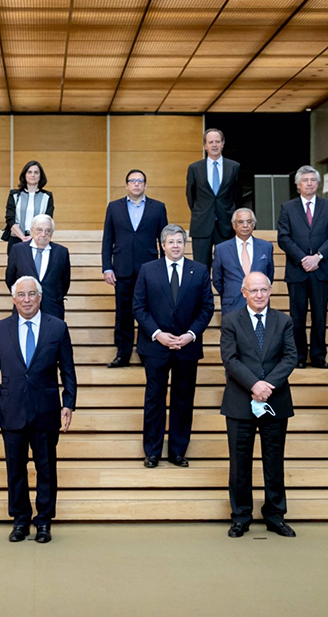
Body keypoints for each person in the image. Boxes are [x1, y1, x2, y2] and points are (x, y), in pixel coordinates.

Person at [0, 276, 76, 544]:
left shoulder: (57, 328)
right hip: (11, 411)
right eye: (21, 294)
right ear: (13, 299)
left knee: (47, 469)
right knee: (15, 469)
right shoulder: (1, 328)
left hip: (46, 410)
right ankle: (21, 520)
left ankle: (44, 521)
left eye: (32, 294)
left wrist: (68, 402)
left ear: (40, 297)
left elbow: (67, 370)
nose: (26, 299)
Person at [220, 272, 298, 538]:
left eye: (263, 290)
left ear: (271, 290)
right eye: (253, 291)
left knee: (274, 462)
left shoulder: (283, 320)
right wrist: (254, 385)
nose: (259, 295)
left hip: (275, 400)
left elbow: (290, 357)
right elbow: (230, 359)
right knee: (239, 463)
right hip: (240, 401)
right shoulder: (231, 320)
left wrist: (267, 387)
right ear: (244, 293)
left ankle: (275, 515)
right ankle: (241, 516)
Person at [133, 224, 215, 468]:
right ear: (162, 245)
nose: (175, 246)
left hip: (187, 347)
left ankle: (178, 451)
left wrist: (191, 335)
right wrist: (158, 334)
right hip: (156, 347)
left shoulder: (199, 270)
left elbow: (207, 308)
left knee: (183, 400)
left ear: (185, 243)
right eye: (171, 242)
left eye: (180, 241)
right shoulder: (148, 270)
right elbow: (139, 307)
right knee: (154, 399)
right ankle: (152, 452)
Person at [101, 169, 167, 368]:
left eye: (140, 181)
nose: (136, 184)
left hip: (150, 269)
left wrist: (164, 268)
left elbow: (163, 239)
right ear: (126, 185)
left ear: (145, 185)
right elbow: (108, 240)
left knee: (150, 311)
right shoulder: (114, 207)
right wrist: (107, 267)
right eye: (133, 181)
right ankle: (123, 354)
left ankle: (147, 352)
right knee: (123, 313)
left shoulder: (158, 208)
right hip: (122, 269)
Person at [277, 165, 328, 369]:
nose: (309, 183)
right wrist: (304, 258)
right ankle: (298, 356)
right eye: (305, 180)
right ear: (298, 185)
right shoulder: (287, 207)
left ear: (318, 183)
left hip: (322, 270)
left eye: (313, 180)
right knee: (297, 316)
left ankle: (319, 356)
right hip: (297, 270)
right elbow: (283, 238)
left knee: (320, 315)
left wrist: (318, 257)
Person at [186, 128, 241, 270]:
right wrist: (203, 211)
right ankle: (203, 294)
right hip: (202, 224)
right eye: (211, 142)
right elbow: (191, 196)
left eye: (217, 141)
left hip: (226, 225)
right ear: (205, 145)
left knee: (227, 267)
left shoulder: (234, 167)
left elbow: (237, 195)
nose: (214, 145)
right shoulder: (194, 168)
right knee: (200, 268)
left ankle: (226, 294)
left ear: (223, 144)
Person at [5, 215, 71, 320]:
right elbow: (10, 279)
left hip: (53, 309)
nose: (43, 234)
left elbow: (65, 282)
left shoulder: (61, 252)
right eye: (39, 230)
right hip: (24, 308)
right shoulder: (18, 250)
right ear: (31, 231)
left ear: (52, 233)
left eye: (48, 231)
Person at [212, 207, 275, 314]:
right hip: (232, 304)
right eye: (240, 222)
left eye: (249, 222)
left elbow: (269, 275)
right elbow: (217, 280)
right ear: (233, 225)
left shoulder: (266, 247)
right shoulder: (221, 249)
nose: (245, 225)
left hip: (259, 304)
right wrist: (231, 292)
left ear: (254, 224)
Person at [2, 160, 55, 255]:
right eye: (29, 172)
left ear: (40, 176)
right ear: (24, 175)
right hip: (16, 239)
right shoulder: (14, 195)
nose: (33, 175)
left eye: (36, 172)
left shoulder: (47, 196)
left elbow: (48, 220)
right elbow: (10, 218)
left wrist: (33, 237)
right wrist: (22, 237)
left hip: (39, 239)